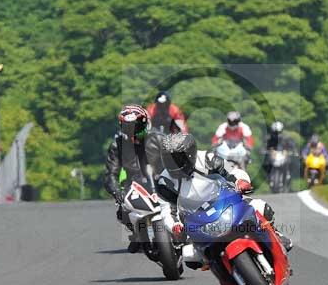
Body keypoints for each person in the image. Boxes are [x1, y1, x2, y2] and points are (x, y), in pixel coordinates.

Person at [146, 132, 292, 259]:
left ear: (190, 154)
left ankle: (276, 236)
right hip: (195, 221)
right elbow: (167, 209)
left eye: (177, 159)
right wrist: (175, 226)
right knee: (190, 257)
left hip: (223, 204)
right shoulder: (164, 182)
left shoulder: (207, 159)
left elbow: (232, 171)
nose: (173, 164)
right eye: (168, 159)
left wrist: (241, 181)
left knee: (260, 206)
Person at [104, 104, 155, 253]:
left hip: (160, 180)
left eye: (136, 126)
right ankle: (139, 233)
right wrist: (116, 192)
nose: (133, 131)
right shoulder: (117, 144)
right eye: (128, 127)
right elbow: (111, 174)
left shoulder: (156, 139)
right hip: (134, 184)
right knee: (122, 210)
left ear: (145, 123)